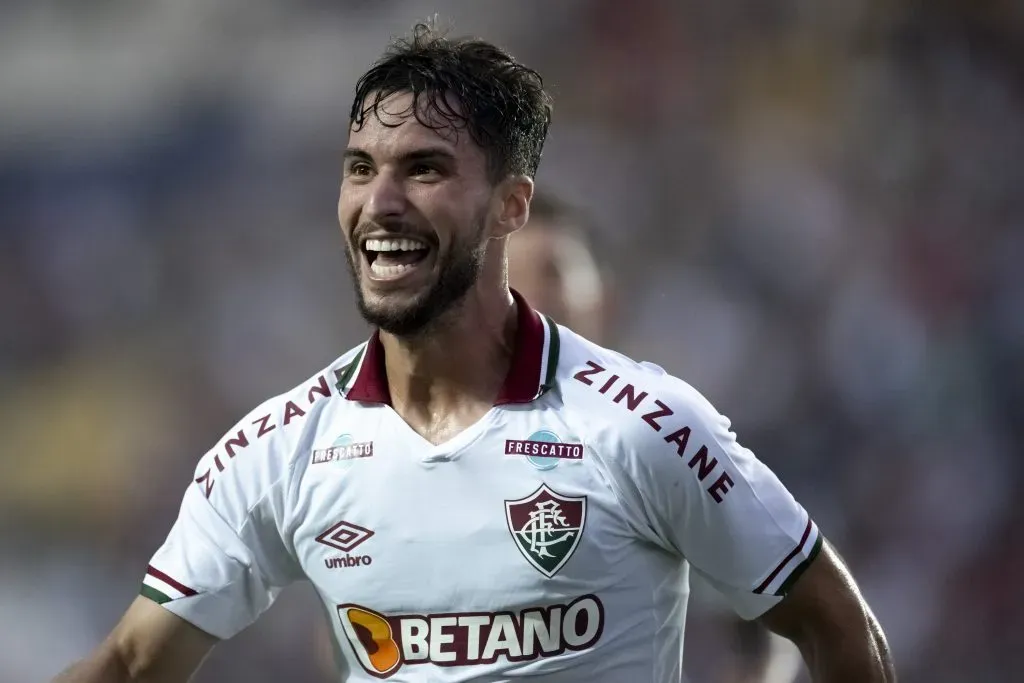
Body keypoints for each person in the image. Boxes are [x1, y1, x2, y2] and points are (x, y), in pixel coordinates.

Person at [55, 24, 895, 683]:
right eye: (359, 168)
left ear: (509, 207)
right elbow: (131, 663)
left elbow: (837, 625)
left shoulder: (643, 427)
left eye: (423, 170)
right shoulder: (278, 449)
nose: (379, 202)